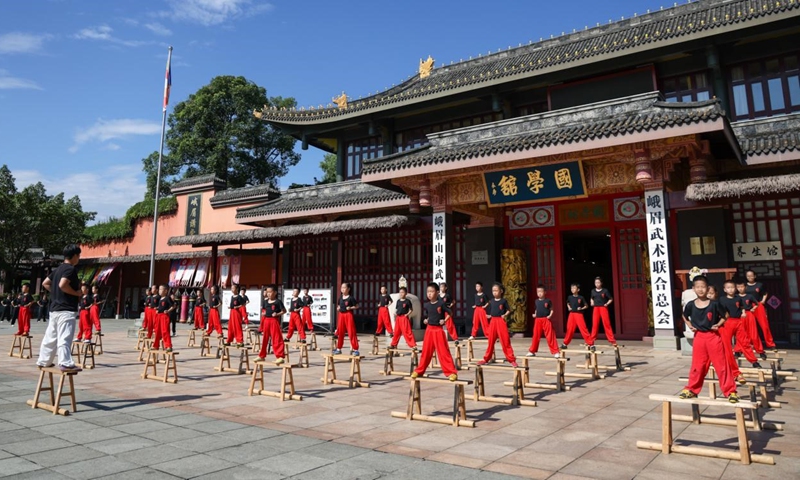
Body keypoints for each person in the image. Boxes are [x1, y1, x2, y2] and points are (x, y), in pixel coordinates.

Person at [679, 275, 739, 403]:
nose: (700, 289)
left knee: (721, 365)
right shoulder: (690, 304)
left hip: (713, 337)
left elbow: (726, 315)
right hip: (699, 337)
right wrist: (690, 326)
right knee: (697, 365)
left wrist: (719, 324)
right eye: (698, 287)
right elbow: (684, 316)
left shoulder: (714, 304)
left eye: (703, 287)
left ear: (707, 289)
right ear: (693, 289)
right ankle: (692, 389)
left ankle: (730, 391)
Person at [36, 244, 83, 372]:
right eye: (78, 256)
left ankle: (44, 360)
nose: (79, 258)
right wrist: (76, 293)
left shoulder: (57, 269)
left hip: (54, 308)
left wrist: (55, 293)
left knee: (51, 336)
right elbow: (63, 285)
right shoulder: (70, 269)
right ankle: (65, 362)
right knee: (65, 337)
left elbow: (46, 283)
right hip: (66, 309)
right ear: (74, 256)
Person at [411, 282, 458, 381]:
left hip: (438, 330)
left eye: (431, 291)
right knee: (426, 352)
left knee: (443, 351)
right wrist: (426, 320)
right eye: (428, 291)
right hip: (429, 330)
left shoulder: (441, 303)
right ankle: (419, 370)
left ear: (437, 292)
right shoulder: (427, 305)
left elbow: (450, 313)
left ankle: (451, 372)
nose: (429, 294)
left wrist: (444, 321)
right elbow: (429, 315)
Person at [718, 280, 761, 376]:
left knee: (744, 342)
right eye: (728, 288)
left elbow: (741, 307)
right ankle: (728, 364)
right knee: (726, 345)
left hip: (738, 322)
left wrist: (743, 313)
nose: (731, 289)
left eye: (732, 287)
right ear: (725, 289)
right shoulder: (722, 299)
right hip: (727, 322)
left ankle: (753, 361)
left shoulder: (738, 298)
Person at [478, 282, 518, 367]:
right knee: (491, 341)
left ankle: (511, 359)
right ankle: (486, 359)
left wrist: (505, 315)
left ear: (501, 291)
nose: (494, 292)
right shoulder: (491, 301)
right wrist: (489, 316)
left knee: (505, 341)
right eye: (493, 291)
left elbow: (508, 310)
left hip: (500, 321)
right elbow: (492, 311)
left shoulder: (503, 301)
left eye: (496, 290)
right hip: (493, 321)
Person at [736, 280, 767, 361]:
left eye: (742, 287)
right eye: (738, 287)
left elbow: (757, 303)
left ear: (745, 287)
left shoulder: (749, 296)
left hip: (749, 314)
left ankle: (760, 351)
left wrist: (753, 309)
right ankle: (738, 350)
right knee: (741, 334)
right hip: (740, 316)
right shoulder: (736, 297)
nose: (740, 289)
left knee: (754, 333)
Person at [745, 270, 777, 351]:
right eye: (748, 276)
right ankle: (751, 344)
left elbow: (765, 293)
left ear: (755, 276)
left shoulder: (759, 285)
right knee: (750, 327)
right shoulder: (744, 286)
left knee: (764, 325)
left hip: (758, 305)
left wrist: (763, 301)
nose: (750, 277)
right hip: (749, 307)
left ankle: (770, 344)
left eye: (751, 275)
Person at [527, 285, 560, 358]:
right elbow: (536, 309)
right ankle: (532, 351)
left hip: (546, 319)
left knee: (550, 336)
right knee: (536, 336)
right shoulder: (536, 301)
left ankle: (555, 351)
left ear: (545, 292)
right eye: (538, 292)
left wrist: (550, 316)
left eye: (541, 291)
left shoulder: (548, 301)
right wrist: (535, 314)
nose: (539, 293)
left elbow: (551, 309)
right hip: (538, 320)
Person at [257, 285, 286, 364]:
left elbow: (284, 311)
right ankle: (262, 355)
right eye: (267, 292)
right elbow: (264, 310)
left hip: (274, 321)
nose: (268, 294)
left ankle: (280, 356)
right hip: (266, 320)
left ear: (275, 292)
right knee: (265, 339)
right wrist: (264, 313)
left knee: (276, 338)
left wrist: (277, 314)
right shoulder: (265, 302)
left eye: (270, 292)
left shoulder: (278, 302)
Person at [560, 283, 592, 350]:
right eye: (572, 288)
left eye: (574, 288)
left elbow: (586, 306)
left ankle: (591, 344)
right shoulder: (570, 297)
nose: (572, 289)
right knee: (569, 329)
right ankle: (565, 343)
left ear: (578, 289)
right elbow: (568, 303)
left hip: (579, 314)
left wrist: (581, 308)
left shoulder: (581, 297)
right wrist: (569, 307)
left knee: (583, 329)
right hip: (572, 314)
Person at [333, 282, 360, 355]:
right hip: (341, 315)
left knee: (351, 332)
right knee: (340, 332)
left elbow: (357, 306)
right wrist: (338, 308)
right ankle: (338, 349)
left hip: (348, 315)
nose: (342, 289)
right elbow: (339, 306)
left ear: (348, 289)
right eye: (341, 287)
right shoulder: (340, 298)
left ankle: (355, 349)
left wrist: (351, 307)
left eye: (344, 287)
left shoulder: (351, 298)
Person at [589, 277, 616, 346]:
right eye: (595, 283)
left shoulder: (605, 291)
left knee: (606, 324)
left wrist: (606, 304)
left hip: (603, 308)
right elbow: (592, 298)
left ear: (601, 283)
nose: (597, 284)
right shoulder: (593, 291)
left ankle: (611, 340)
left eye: (598, 282)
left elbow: (610, 299)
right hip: (596, 308)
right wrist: (591, 302)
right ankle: (592, 339)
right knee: (595, 324)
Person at [389, 286, 417, 350]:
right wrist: (395, 313)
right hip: (398, 318)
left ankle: (413, 345)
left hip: (404, 318)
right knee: (396, 332)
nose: (401, 294)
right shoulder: (398, 301)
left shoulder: (408, 301)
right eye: (400, 292)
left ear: (406, 293)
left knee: (408, 332)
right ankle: (393, 344)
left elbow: (411, 310)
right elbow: (397, 309)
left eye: (402, 292)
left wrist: (407, 314)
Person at [153, 285, 176, 352]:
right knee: (157, 331)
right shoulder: (160, 299)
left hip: (164, 316)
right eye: (159, 289)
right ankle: (156, 345)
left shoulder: (167, 298)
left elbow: (173, 306)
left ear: (165, 291)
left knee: (165, 331)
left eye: (161, 289)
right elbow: (160, 307)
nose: (159, 291)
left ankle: (168, 346)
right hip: (159, 316)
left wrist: (168, 311)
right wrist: (157, 309)